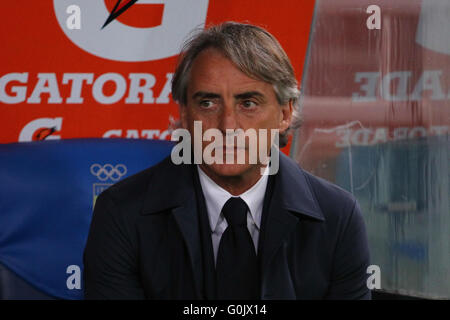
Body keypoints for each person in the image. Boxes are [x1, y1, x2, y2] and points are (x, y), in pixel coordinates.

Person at [83, 22, 371, 299]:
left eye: (248, 103)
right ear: (185, 115)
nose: (227, 126)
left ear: (284, 114)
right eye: (208, 103)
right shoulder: (121, 214)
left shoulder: (338, 218)